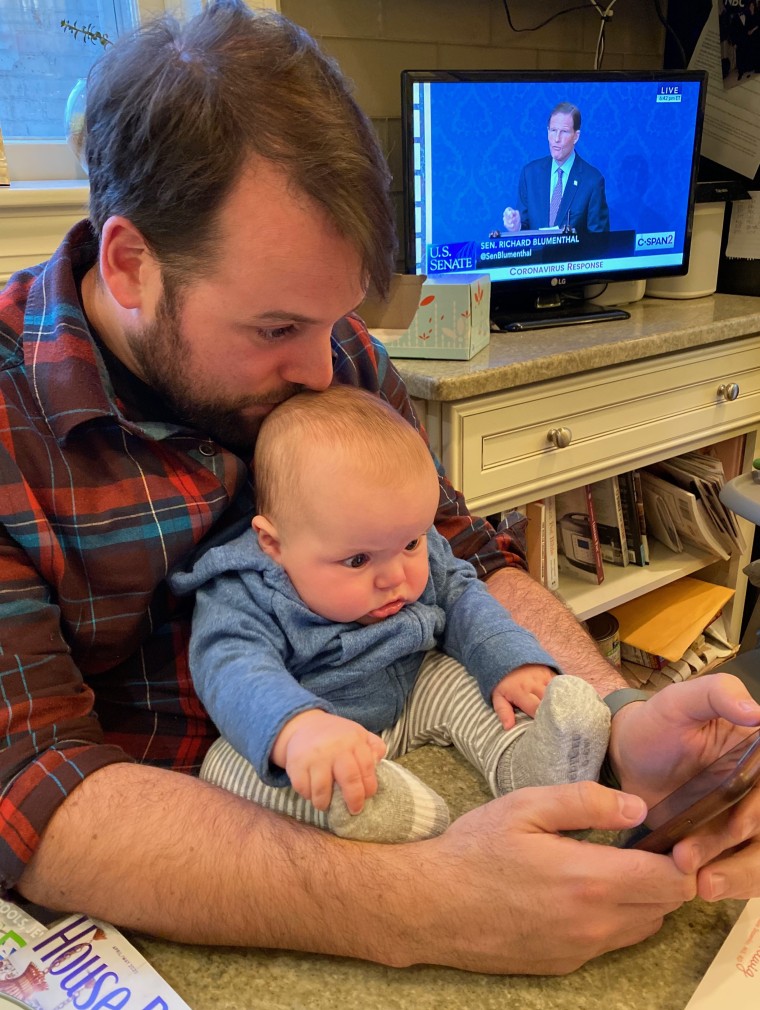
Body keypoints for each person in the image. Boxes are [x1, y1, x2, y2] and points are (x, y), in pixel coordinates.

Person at [1, 0, 759, 977]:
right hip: (181, 884)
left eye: (340, 317)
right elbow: (34, 785)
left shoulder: (336, 352)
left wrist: (615, 719)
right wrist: (427, 903)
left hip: (412, 758)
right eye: (276, 328)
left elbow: (465, 556)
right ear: (132, 264)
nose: (329, 368)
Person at [170, 385, 611, 843]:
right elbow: (232, 667)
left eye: (410, 544)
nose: (394, 577)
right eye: (358, 560)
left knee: (467, 681)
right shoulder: (243, 588)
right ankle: (368, 803)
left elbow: (463, 597)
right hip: (321, 723)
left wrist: (510, 661)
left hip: (414, 691)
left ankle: (531, 766)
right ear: (275, 544)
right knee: (227, 769)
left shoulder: (413, 545)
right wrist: (297, 728)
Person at [499, 102, 610, 235]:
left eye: (564, 132)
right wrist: (516, 227)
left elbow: (598, 241)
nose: (556, 139)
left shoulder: (592, 181)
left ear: (576, 136)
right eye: (553, 131)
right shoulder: (530, 174)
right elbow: (525, 228)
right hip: (535, 255)